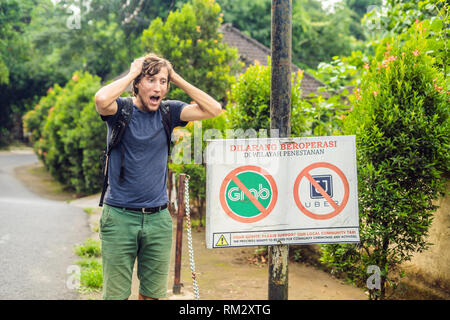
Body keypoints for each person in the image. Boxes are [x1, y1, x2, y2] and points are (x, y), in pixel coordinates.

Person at [94, 53, 222, 300]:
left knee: (152, 296)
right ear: (138, 84)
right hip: (119, 217)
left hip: (158, 219)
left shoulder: (169, 111)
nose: (158, 87)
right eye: (151, 80)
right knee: (116, 296)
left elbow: (214, 109)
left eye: (163, 82)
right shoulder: (120, 110)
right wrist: (132, 71)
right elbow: (101, 99)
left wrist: (176, 77)